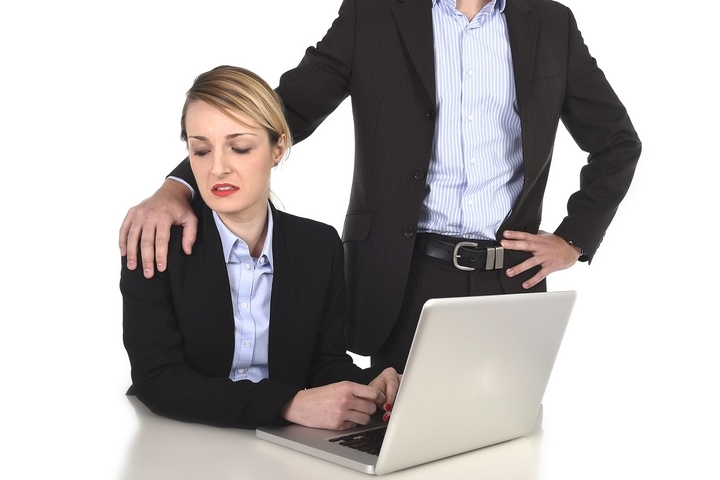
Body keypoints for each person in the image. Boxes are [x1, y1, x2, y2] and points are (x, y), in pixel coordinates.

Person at [120, 0, 641, 371]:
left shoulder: (550, 22)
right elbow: (279, 114)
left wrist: (574, 239)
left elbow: (617, 142)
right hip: (405, 275)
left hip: (511, 279)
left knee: (506, 442)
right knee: (394, 440)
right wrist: (178, 185)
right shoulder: (372, 13)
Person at [121, 65, 400, 430]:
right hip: (179, 436)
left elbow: (324, 363)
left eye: (239, 147)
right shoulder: (157, 243)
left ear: (278, 148)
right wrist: (287, 404)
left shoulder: (318, 246)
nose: (217, 168)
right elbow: (156, 379)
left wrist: (371, 383)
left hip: (278, 443)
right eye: (201, 150)